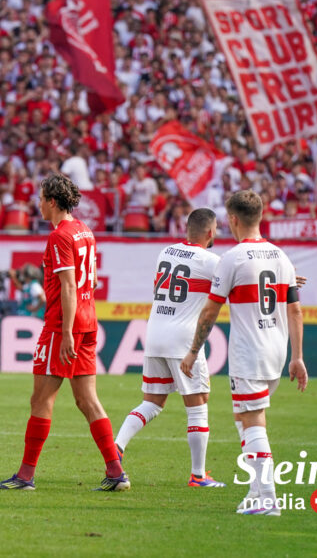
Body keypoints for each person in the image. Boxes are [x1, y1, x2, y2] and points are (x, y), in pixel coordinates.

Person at [0, 173, 129, 491]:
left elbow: (68, 285)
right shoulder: (85, 231)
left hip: (62, 325)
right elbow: (89, 282)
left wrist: (65, 331)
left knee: (41, 399)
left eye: (40, 199)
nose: (38, 204)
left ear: (52, 201)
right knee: (86, 399)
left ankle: (24, 477)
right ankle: (116, 472)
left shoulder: (59, 237)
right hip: (89, 320)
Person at [181, 190, 308, 516]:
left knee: (253, 424)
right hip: (277, 352)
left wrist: (194, 351)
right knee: (243, 418)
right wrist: (298, 357)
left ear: (234, 220)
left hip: (249, 353)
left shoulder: (233, 259)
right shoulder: (281, 257)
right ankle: (255, 493)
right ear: (261, 215)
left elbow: (210, 312)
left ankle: (268, 499)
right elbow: (295, 311)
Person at [113, 208, 226, 487]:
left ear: (186, 228)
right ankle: (198, 475)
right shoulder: (212, 261)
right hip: (182, 339)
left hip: (154, 334)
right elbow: (240, 281)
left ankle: (115, 448)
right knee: (198, 405)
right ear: (210, 233)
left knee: (152, 402)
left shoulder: (165, 253)